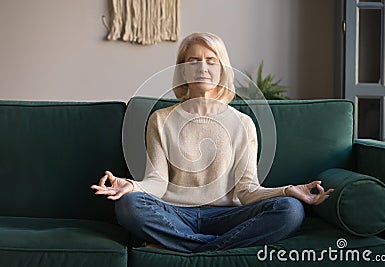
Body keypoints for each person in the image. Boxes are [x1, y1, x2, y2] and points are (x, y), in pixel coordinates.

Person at [91, 32, 333, 253]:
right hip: (175, 214)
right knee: (128, 205)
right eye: (193, 61)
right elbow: (157, 183)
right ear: (183, 70)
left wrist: (288, 190)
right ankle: (214, 246)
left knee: (290, 210)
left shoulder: (243, 123)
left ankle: (183, 245)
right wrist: (131, 186)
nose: (202, 67)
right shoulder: (160, 120)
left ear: (222, 70)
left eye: (211, 60)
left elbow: (247, 190)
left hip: (228, 215)